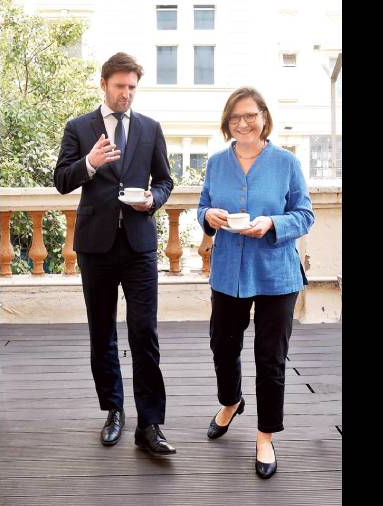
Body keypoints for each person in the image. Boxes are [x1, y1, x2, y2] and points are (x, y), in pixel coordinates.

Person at [54, 52, 176, 455]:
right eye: (120, 86)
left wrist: (152, 201)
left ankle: (150, 424)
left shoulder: (150, 128)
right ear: (104, 84)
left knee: (145, 333)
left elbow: (165, 181)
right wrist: (88, 163)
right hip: (96, 247)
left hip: (139, 244)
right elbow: (61, 181)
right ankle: (114, 411)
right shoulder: (79, 128)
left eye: (132, 88)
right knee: (101, 332)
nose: (127, 94)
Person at [197, 87, 314, 478]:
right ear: (227, 123)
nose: (242, 123)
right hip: (229, 272)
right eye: (234, 118)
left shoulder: (286, 163)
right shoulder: (215, 163)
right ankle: (231, 402)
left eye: (249, 115)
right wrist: (209, 215)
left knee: (270, 358)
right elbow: (203, 206)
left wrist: (272, 224)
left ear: (264, 116)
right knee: (222, 345)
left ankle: (265, 437)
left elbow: (305, 215)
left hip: (277, 275)